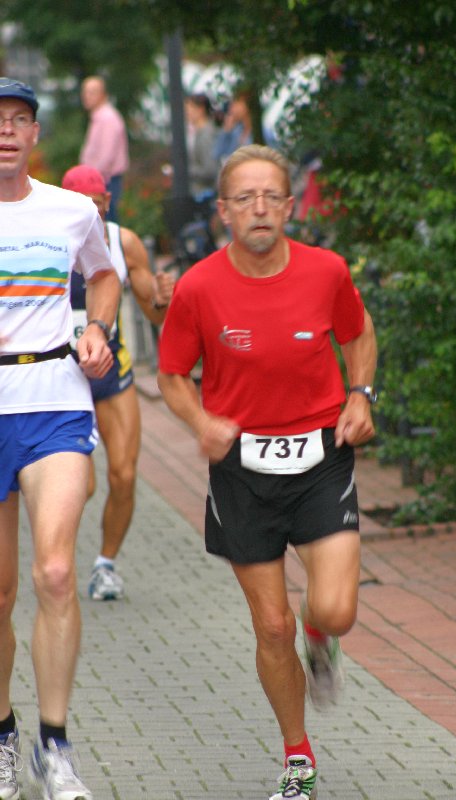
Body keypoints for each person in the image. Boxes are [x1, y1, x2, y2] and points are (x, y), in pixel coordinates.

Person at [157, 144, 377, 800]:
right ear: (223, 211)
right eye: (244, 198)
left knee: (334, 609)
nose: (259, 208)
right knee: (272, 625)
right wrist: (200, 422)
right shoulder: (199, 287)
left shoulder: (326, 271)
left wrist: (361, 396)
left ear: (288, 206)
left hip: (320, 457)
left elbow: (358, 334)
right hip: (242, 468)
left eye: (270, 196)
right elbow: (171, 374)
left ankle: (322, 639)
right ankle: (297, 756)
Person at [0, 77, 121, 800]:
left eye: (19, 120)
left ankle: (56, 747)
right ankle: (2, 738)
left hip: (55, 399)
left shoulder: (71, 210)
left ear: (35, 135)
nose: (6, 131)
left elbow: (104, 276)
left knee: (52, 574)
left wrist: (97, 328)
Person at [61, 164, 175, 601]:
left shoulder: (123, 243)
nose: (89, 215)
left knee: (124, 475)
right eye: (80, 207)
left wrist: (162, 300)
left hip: (112, 374)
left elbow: (154, 315)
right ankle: (57, 560)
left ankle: (105, 565)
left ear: (108, 202)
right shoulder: (47, 239)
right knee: (80, 485)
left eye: (96, 206)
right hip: (62, 378)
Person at [80, 75, 129, 223]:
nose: (86, 96)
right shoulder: (98, 117)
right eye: (85, 92)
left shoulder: (108, 118)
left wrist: (91, 181)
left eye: (92, 92)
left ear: (103, 94)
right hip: (101, 181)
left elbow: (106, 156)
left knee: (107, 225)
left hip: (105, 182)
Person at [185, 93, 218, 199]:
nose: (186, 113)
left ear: (201, 109)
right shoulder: (198, 133)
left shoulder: (206, 134)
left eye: (189, 108)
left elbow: (209, 169)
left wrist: (185, 170)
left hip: (205, 196)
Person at [213, 91, 253, 166]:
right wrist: (226, 130)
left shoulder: (264, 133)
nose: (231, 108)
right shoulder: (235, 131)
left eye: (236, 103)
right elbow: (216, 154)